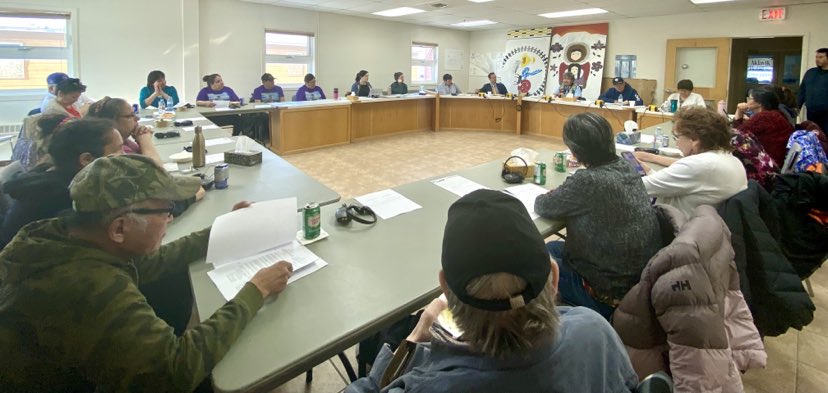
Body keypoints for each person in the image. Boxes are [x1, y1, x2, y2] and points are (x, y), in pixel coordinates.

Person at [0, 154, 294, 392]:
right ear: (119, 227)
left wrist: (223, 228)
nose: (170, 217)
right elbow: (175, 372)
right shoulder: (88, 286)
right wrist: (255, 290)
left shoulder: (64, 236)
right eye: (165, 210)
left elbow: (156, 261)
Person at [346, 190, 639, 393]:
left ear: (445, 288)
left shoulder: (421, 384)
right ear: (553, 279)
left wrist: (411, 342)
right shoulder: (596, 333)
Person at [534, 113, 661, 319]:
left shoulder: (589, 181)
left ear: (575, 151)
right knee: (553, 248)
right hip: (639, 283)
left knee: (538, 258)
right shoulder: (625, 166)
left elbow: (543, 205)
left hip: (607, 297)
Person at [0, 117, 124, 248]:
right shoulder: (68, 197)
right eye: (118, 150)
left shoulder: (51, 176)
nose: (125, 155)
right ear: (86, 159)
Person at [634, 106, 747, 219]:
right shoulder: (731, 160)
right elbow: (672, 183)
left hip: (674, 229)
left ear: (694, 140)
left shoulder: (699, 165)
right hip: (703, 229)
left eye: (677, 137)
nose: (677, 143)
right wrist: (648, 170)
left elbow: (637, 188)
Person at [86, 97, 163, 165]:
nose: (137, 118)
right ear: (112, 121)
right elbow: (157, 171)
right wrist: (145, 141)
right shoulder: (115, 150)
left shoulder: (126, 141)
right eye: (130, 116)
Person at [733, 86, 795, 165]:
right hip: (777, 160)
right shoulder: (775, 114)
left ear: (759, 103)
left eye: (750, 98)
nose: (747, 100)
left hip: (769, 164)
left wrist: (739, 112)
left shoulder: (764, 116)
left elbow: (736, 135)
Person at [798, 47, 828, 132]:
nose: (817, 59)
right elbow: (802, 91)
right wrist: (797, 107)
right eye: (817, 57)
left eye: (821, 57)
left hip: (826, 112)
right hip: (812, 111)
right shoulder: (810, 73)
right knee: (813, 134)